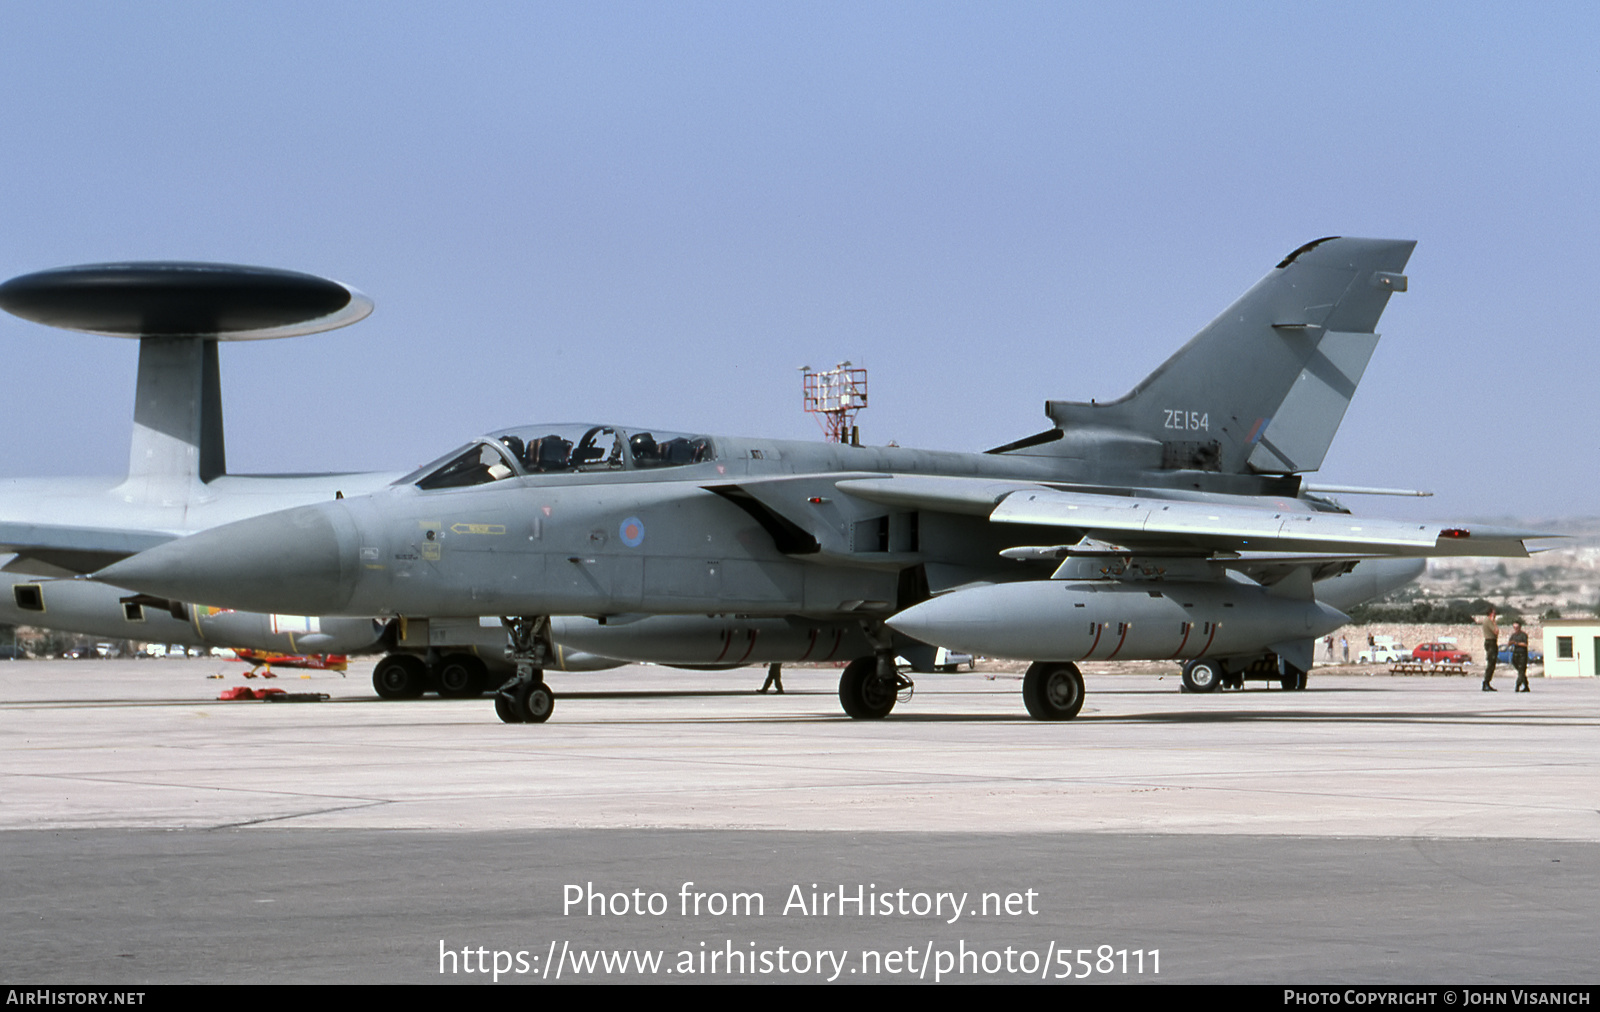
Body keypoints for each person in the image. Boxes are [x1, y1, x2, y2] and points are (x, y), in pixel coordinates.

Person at [1480, 606, 1499, 692]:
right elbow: (1496, 631)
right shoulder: (1489, 621)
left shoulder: (1486, 621)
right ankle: (1486, 682)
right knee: (1491, 663)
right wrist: (1494, 622)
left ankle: (1487, 682)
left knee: (1492, 663)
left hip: (1490, 642)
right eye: (1494, 613)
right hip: (1491, 642)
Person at [1509, 621, 1531, 692]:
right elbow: (1509, 643)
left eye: (1517, 627)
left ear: (1520, 627)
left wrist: (1517, 643)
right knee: (1521, 672)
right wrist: (1511, 643)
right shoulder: (1513, 635)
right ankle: (1526, 686)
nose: (1516, 629)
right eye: (1514, 627)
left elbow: (1525, 644)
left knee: (1521, 671)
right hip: (1515, 655)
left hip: (1522, 655)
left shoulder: (1523, 635)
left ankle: (1517, 685)